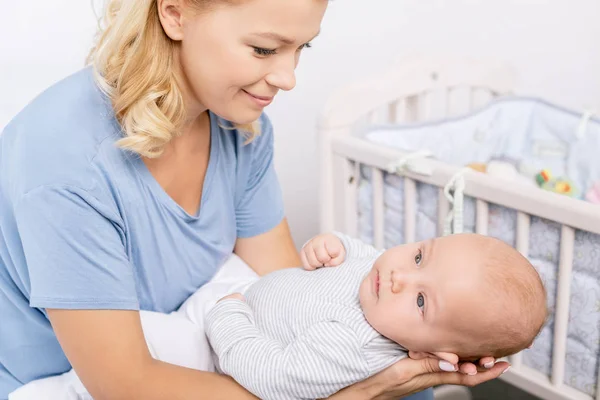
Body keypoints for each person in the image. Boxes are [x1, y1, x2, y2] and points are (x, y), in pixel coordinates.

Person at [0, 0, 508, 399]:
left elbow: (284, 287)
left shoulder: (241, 128)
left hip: (203, 343)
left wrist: (430, 333)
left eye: (301, 48)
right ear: (174, 12)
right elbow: (125, 383)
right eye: (265, 49)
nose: (288, 78)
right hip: (64, 381)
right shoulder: (68, 162)